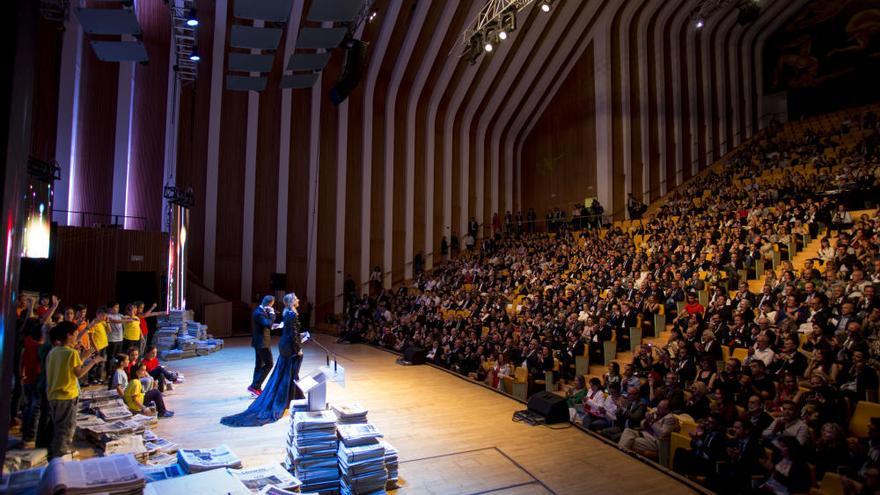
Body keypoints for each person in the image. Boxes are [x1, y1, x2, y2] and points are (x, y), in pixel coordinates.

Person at [222, 292, 306, 427]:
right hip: (271, 344)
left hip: (279, 344)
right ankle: (260, 388)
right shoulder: (288, 314)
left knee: (274, 368)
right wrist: (298, 348)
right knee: (276, 367)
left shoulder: (286, 313)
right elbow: (288, 332)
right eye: (296, 298)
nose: (298, 299)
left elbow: (290, 332)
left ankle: (259, 387)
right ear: (291, 302)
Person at [45, 321, 105, 458]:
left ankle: (55, 452)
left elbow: (68, 367)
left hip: (54, 395)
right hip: (67, 395)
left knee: (58, 426)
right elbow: (78, 373)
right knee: (66, 427)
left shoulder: (54, 351)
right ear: (69, 335)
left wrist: (84, 356)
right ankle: (60, 455)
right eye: (76, 335)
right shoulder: (71, 353)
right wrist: (94, 362)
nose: (77, 338)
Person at [248, 295, 276, 397]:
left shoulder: (261, 311)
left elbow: (265, 325)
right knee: (269, 364)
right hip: (262, 343)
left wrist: (273, 325)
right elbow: (267, 324)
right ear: (271, 303)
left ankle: (255, 388)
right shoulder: (259, 313)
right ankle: (254, 386)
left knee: (259, 365)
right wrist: (272, 314)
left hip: (260, 342)